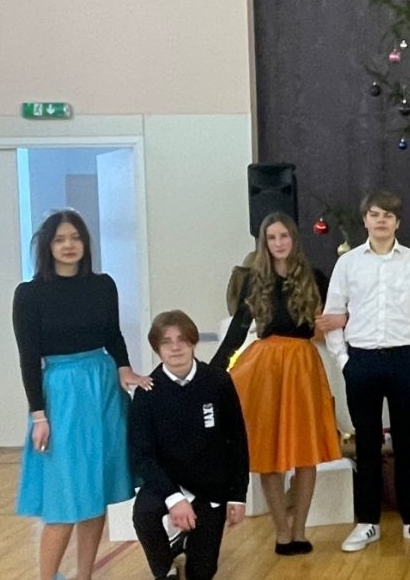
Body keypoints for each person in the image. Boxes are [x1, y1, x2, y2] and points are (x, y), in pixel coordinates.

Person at [13, 209, 153, 580]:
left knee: (95, 492)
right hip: (62, 394)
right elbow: (28, 358)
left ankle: (85, 575)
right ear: (47, 246)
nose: (68, 245)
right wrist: (39, 415)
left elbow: (113, 335)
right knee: (64, 499)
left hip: (103, 389)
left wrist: (124, 368)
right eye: (60, 239)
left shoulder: (103, 285)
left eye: (75, 237)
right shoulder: (29, 294)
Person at [318, 190, 410, 552]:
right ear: (365, 220)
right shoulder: (348, 264)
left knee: (406, 441)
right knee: (367, 443)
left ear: (397, 222)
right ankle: (368, 522)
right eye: (374, 214)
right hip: (361, 361)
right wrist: (343, 359)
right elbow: (333, 312)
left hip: (404, 360)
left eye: (388, 215)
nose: (381, 220)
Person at [210, 212, 341, 554]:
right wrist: (212, 371)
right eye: (272, 238)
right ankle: (282, 531)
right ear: (264, 243)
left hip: (303, 367)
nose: (279, 243)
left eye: (284, 236)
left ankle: (300, 530)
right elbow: (238, 329)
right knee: (268, 451)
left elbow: (335, 318)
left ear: (294, 239)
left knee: (305, 452)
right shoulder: (254, 281)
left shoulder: (314, 277)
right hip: (266, 369)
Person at [129, 311, 249, 580]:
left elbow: (237, 441)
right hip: (167, 483)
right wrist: (174, 498)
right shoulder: (147, 392)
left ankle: (186, 543)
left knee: (201, 573)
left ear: (193, 342)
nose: (175, 347)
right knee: (144, 513)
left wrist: (237, 495)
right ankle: (166, 569)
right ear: (157, 348)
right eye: (166, 341)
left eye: (182, 339)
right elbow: (142, 455)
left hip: (210, 487)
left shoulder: (218, 381)